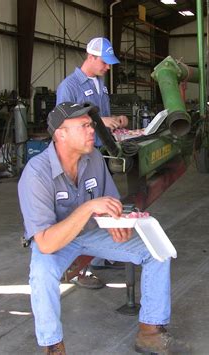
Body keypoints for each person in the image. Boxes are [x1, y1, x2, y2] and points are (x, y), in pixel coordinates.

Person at [18, 102, 189, 354]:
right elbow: (45, 242)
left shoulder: (94, 158)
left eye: (91, 125)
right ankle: (53, 346)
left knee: (157, 251)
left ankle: (150, 331)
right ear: (60, 134)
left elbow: (111, 202)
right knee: (41, 275)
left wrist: (115, 223)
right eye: (84, 126)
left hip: (92, 231)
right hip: (57, 238)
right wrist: (88, 208)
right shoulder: (36, 174)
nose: (92, 131)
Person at [56, 37, 129, 288]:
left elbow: (102, 116)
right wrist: (98, 123)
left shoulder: (101, 85)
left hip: (99, 154)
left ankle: (101, 257)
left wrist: (115, 120)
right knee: (80, 211)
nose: (108, 68)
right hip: (80, 157)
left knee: (103, 207)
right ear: (92, 57)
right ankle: (78, 270)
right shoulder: (70, 86)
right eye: (105, 63)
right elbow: (62, 124)